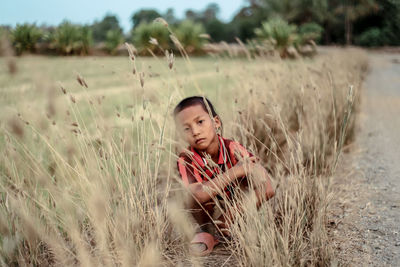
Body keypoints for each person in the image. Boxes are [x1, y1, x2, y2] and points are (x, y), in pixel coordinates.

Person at [174, 96, 275, 256]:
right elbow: (198, 195)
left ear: (216, 122)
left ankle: (235, 229)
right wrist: (236, 171)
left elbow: (268, 188)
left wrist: (232, 213)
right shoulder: (186, 159)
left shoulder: (233, 148)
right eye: (186, 129)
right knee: (192, 195)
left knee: (255, 179)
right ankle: (208, 231)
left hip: (238, 210)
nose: (195, 132)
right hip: (208, 213)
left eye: (200, 122)